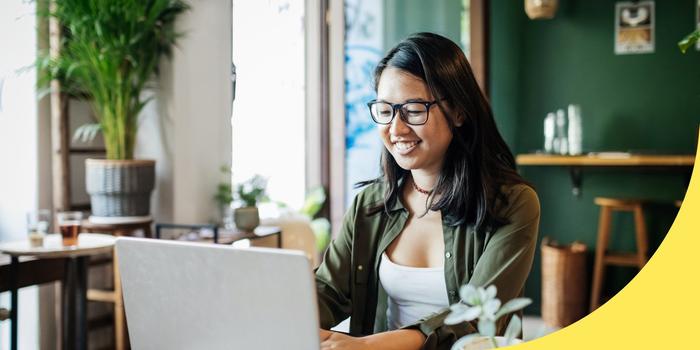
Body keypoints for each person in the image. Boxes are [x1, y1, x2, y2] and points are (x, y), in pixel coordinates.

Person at [316, 32, 540, 350]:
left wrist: (366, 346)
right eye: (385, 110)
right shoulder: (369, 205)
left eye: (414, 109)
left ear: (459, 111)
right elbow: (328, 289)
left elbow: (475, 316)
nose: (396, 128)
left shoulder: (513, 204)